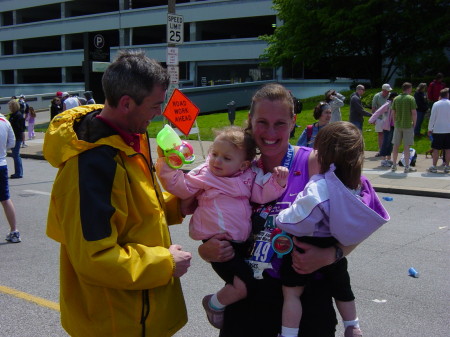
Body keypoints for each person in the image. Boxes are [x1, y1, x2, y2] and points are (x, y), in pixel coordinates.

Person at [43, 50, 192, 337]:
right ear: (126, 103)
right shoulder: (91, 163)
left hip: (140, 315)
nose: (157, 113)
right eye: (154, 106)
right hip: (116, 322)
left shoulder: (131, 137)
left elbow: (133, 208)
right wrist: (166, 263)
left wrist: (178, 206)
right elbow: (94, 258)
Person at [195, 83, 358, 337]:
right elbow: (208, 221)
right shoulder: (234, 167)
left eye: (280, 123)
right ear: (249, 120)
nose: (270, 132)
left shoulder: (314, 162)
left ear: (293, 121)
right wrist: (205, 250)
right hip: (249, 299)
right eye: (262, 122)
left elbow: (358, 223)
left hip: (307, 300)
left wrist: (330, 255)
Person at [157, 126, 288, 329]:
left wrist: (278, 183)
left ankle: (222, 305)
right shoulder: (206, 173)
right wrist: (166, 163)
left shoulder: (249, 175)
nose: (217, 161)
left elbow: (261, 195)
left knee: (245, 283)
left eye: (226, 158)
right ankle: (214, 304)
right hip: (217, 242)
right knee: (245, 285)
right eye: (214, 154)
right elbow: (180, 187)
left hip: (240, 242)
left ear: (243, 164)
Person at [276, 122, 389, 337]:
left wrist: (283, 218)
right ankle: (352, 325)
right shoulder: (357, 185)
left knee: (291, 292)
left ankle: (288, 333)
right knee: (342, 289)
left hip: (307, 244)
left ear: (322, 154)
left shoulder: (321, 184)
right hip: (334, 247)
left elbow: (303, 216)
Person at [0, 110, 20, 243]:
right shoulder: (5, 122)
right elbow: (11, 143)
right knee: (5, 199)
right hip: (1, 163)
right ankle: (14, 231)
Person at [390, 82, 417, 173]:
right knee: (406, 146)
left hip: (398, 125)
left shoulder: (396, 99)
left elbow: (393, 112)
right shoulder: (411, 98)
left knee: (396, 145)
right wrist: (415, 123)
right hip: (408, 124)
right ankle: (407, 166)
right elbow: (413, 112)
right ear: (409, 89)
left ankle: (394, 165)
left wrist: (394, 122)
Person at [369, 92, 398, 167]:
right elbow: (378, 111)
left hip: (394, 126)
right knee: (386, 142)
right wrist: (372, 120)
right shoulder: (387, 104)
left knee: (391, 142)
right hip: (387, 126)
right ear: (392, 98)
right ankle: (383, 159)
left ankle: (388, 159)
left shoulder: (396, 105)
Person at [427, 88, 450, 173]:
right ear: (447, 95)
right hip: (448, 130)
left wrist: (429, 129)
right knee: (448, 149)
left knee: (436, 149)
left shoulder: (436, 104)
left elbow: (432, 117)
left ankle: (434, 166)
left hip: (438, 130)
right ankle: (447, 166)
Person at [372, 84, 392, 155]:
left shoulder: (390, 96)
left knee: (387, 134)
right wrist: (374, 118)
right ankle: (381, 150)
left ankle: (386, 150)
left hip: (388, 118)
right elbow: (374, 107)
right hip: (379, 118)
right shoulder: (377, 96)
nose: (388, 92)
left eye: (389, 91)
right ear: (383, 90)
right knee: (380, 134)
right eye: (387, 90)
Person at [7, 100, 25, 179]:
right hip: (15, 137)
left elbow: (19, 128)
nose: (9, 108)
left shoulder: (18, 115)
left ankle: (18, 173)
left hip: (16, 138)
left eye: (10, 106)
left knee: (16, 155)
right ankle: (19, 172)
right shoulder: (13, 115)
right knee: (16, 155)